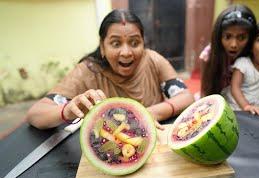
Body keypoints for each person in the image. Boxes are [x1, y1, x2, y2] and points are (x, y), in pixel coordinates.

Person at [26, 9, 194, 130]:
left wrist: (149, 113)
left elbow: (185, 97)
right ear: (102, 47)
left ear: (143, 43)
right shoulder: (88, 71)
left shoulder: (152, 60)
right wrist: (67, 110)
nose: (126, 52)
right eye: (115, 43)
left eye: (135, 43)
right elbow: (36, 114)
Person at [200, 4, 257, 97]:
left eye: (241, 37)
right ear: (219, 36)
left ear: (251, 37)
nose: (233, 44)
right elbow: (205, 90)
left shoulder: (256, 54)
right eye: (227, 37)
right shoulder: (208, 55)